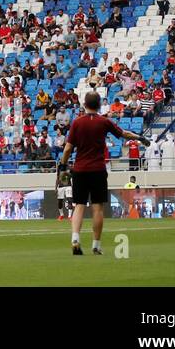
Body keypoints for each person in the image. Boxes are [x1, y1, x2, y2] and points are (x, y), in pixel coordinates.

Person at [56, 91, 146, 256]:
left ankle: (75, 239)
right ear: (99, 105)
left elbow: (68, 148)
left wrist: (63, 166)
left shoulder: (77, 122)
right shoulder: (104, 121)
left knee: (79, 206)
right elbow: (124, 134)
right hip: (98, 169)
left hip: (80, 169)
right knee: (97, 208)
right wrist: (140, 138)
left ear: (84, 105)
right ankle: (96, 245)